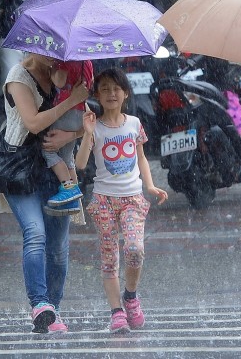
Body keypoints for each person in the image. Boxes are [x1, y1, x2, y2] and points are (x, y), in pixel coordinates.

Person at [75, 67, 168, 333]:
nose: (111, 93)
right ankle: (116, 311)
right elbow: (81, 164)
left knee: (134, 250)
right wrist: (87, 132)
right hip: (103, 200)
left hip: (132, 200)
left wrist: (149, 185)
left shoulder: (135, 123)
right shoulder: (95, 125)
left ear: (125, 93)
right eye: (104, 89)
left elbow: (141, 157)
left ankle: (130, 296)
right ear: (97, 95)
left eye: (116, 88)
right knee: (109, 258)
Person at [2, 53, 89, 333]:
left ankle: (54, 310)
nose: (53, 55)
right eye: (47, 49)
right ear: (31, 47)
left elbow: (85, 122)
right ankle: (40, 303)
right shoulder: (18, 77)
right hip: (21, 170)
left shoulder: (63, 74)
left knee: (59, 249)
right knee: (35, 233)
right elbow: (34, 123)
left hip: (56, 172)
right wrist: (71, 100)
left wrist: (71, 136)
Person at [43, 60, 93, 214]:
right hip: (79, 112)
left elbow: (59, 81)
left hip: (67, 112)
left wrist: (51, 69)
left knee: (48, 149)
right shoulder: (87, 61)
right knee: (66, 156)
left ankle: (67, 186)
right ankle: (74, 198)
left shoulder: (65, 60)